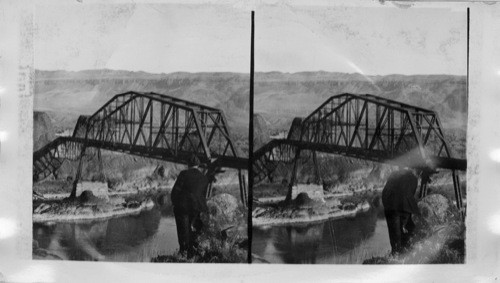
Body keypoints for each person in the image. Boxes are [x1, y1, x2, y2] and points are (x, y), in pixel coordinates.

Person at [170, 154, 209, 256]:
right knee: (196, 233)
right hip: (199, 209)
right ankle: (194, 251)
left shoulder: (183, 174)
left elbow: (175, 192)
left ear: (188, 164)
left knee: (183, 232)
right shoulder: (204, 178)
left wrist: (175, 204)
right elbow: (203, 196)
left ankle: (183, 251)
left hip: (183, 208)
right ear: (198, 165)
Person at [382, 167, 420, 255]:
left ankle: (396, 253)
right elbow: (411, 194)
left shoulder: (393, 175)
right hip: (404, 207)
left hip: (390, 207)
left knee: (394, 234)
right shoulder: (413, 177)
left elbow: (385, 191)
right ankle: (405, 252)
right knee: (406, 231)